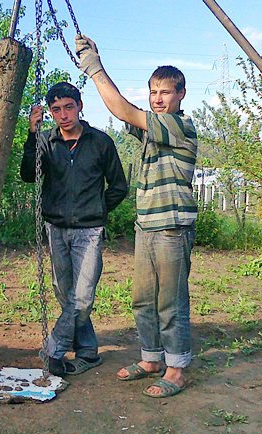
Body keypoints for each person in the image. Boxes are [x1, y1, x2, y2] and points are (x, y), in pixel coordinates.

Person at [75, 35, 198, 398]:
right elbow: (122, 109)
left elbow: (124, 112)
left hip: (173, 226)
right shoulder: (152, 131)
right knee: (143, 298)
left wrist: (95, 67)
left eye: (166, 92)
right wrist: (95, 68)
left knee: (170, 300)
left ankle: (176, 369)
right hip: (146, 224)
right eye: (154, 92)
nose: (158, 99)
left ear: (181, 96)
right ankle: (151, 359)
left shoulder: (180, 126)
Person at [21, 82, 128, 377]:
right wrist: (32, 134)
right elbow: (28, 175)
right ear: (50, 113)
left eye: (69, 107)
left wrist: (97, 208)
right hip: (56, 228)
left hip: (89, 230)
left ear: (80, 106)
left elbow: (119, 186)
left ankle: (53, 349)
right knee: (65, 293)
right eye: (56, 109)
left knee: (82, 297)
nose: (63, 114)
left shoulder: (100, 142)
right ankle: (88, 351)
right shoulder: (46, 141)